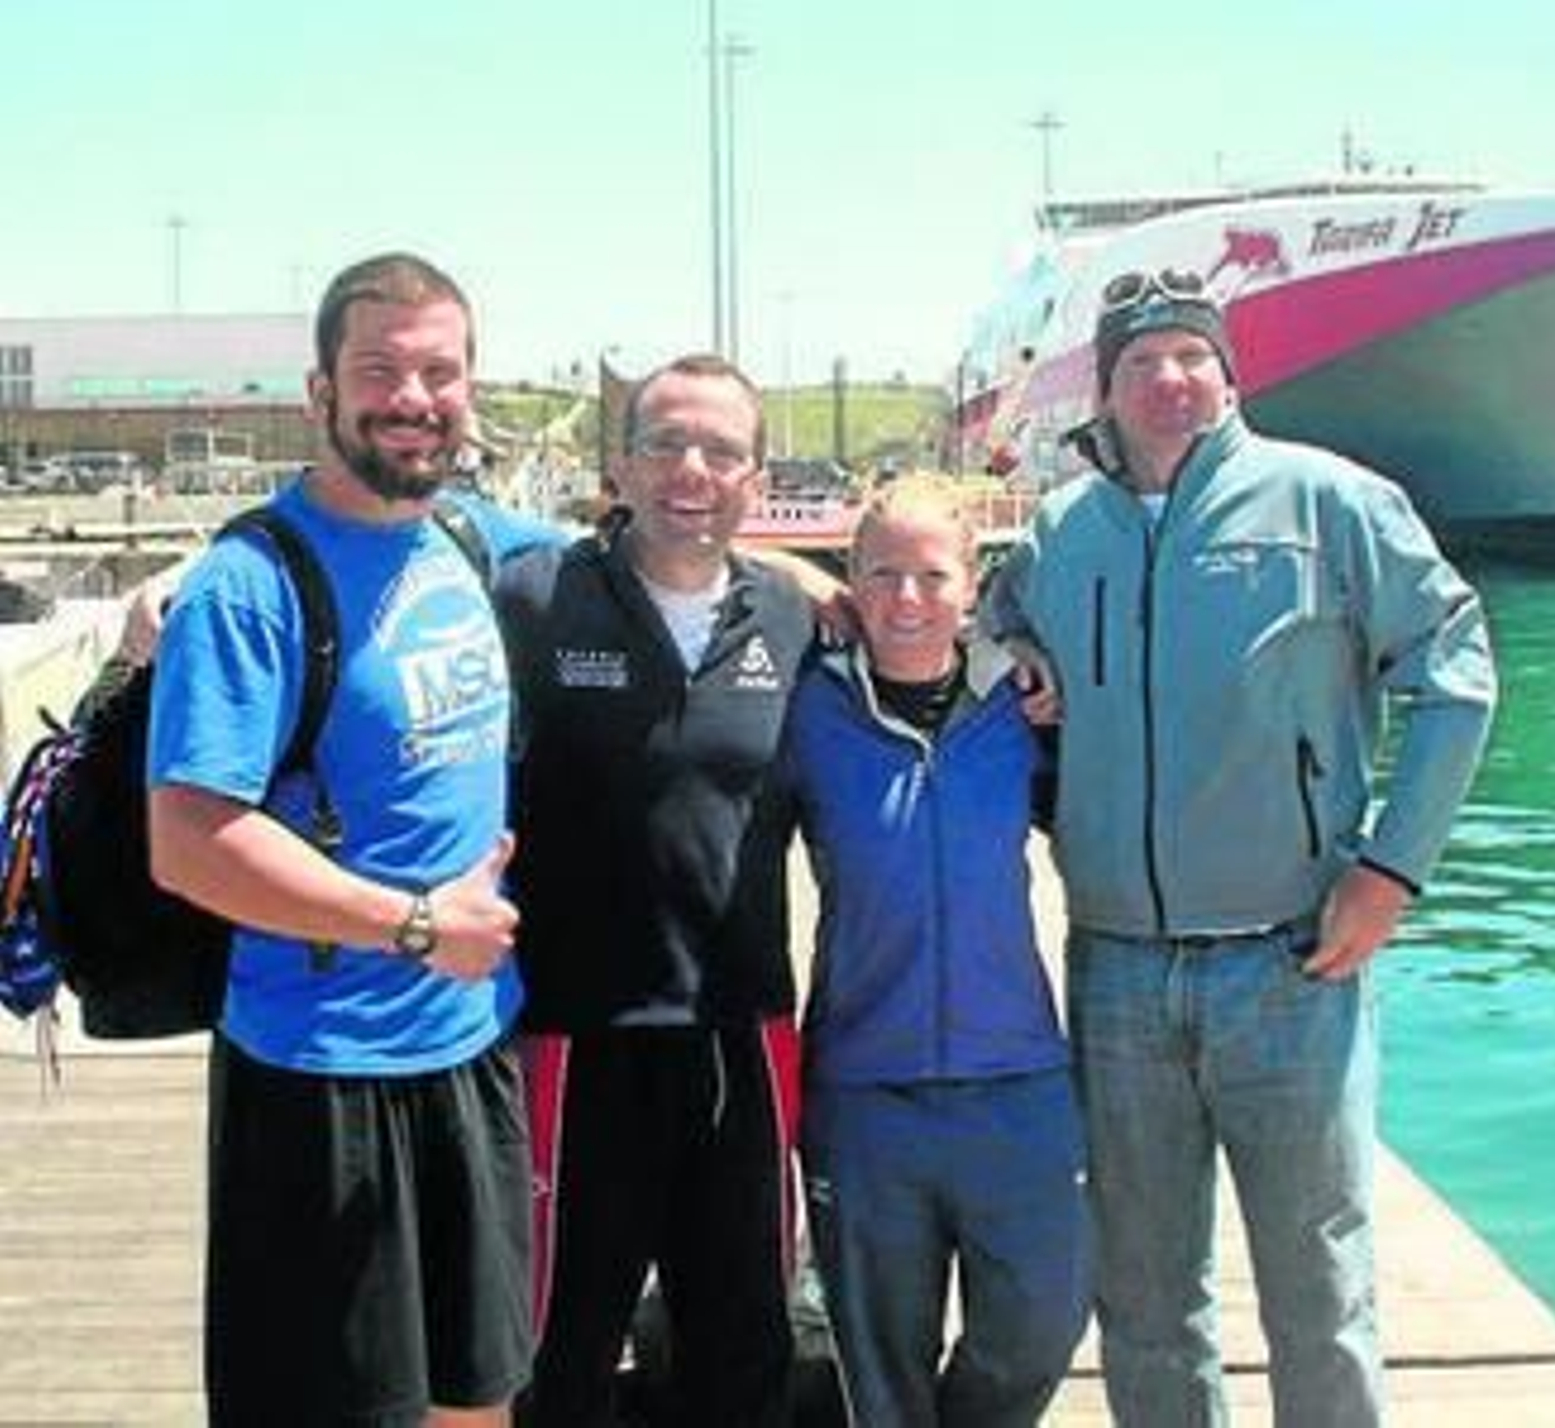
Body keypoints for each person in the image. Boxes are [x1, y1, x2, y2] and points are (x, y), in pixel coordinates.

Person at [985, 268, 1498, 1427]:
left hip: (1290, 963)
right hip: (1114, 965)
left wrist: (1391, 869)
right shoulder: (1064, 531)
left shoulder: (1333, 504)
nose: (1168, 378)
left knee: (1318, 1290)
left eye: (1189, 354)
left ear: (1229, 371)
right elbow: (983, 627)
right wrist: (1009, 664)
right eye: (1138, 361)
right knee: (1144, 1295)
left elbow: (1456, 673)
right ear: (1104, 390)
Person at [148, 252, 563, 1427]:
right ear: (319, 389)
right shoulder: (247, 585)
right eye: (379, 369)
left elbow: (661, 555)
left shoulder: (471, 544)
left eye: (439, 371)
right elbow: (188, 841)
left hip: (470, 1051)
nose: (413, 397)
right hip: (320, 1075)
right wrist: (420, 926)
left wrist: (820, 587)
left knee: (480, 1398)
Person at [495, 353, 816, 1426]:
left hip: (743, 1037)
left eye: (721, 450)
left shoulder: (793, 617)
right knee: (561, 1347)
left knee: (743, 1344)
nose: (692, 468)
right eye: (665, 443)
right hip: (576, 1040)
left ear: (754, 479)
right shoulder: (533, 599)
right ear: (620, 467)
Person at [779, 473, 1092, 1427]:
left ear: (973, 584)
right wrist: (794, 576)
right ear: (850, 581)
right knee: (882, 1369)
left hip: (1021, 1082)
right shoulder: (805, 709)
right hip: (866, 1093)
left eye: (931, 575)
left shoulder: (1026, 705)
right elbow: (678, 557)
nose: (905, 601)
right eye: (880, 575)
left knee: (1041, 1324)